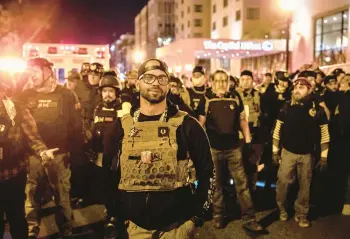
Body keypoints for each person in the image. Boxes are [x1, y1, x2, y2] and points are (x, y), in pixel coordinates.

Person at [114, 58, 214, 238]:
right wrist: (119, 216)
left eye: (162, 79)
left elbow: (208, 172)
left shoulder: (188, 125)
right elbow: (110, 175)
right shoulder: (121, 126)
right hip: (134, 228)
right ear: (137, 84)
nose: (156, 83)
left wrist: (196, 218)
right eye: (149, 78)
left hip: (177, 228)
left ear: (168, 85)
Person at [19, 58, 83, 238]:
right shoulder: (26, 94)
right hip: (33, 156)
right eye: (29, 72)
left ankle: (66, 231)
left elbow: (76, 126)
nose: (31, 76)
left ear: (47, 71)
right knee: (31, 197)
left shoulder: (66, 94)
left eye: (34, 71)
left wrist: (74, 153)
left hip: (59, 156)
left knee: (62, 196)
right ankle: (31, 231)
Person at [197, 69, 263, 233]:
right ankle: (218, 216)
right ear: (211, 82)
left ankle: (249, 218)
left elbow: (243, 121)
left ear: (228, 82)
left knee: (242, 184)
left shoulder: (235, 97)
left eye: (223, 80)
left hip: (234, 148)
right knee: (217, 184)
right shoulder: (206, 98)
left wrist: (248, 143)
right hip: (214, 149)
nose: (221, 83)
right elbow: (201, 125)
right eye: (217, 80)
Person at [0, 70, 56, 239]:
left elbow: (33, 138)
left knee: (16, 218)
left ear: (4, 90)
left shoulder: (17, 111)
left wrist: (43, 152)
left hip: (13, 176)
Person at [272, 76, 330, 228]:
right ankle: (282, 208)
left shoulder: (317, 110)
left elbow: (324, 134)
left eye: (302, 87)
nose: (297, 90)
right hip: (287, 152)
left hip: (307, 154)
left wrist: (324, 157)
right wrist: (274, 152)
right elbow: (277, 131)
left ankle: (302, 213)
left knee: (305, 186)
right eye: (296, 87)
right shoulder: (286, 107)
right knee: (283, 182)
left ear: (310, 90)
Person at [84, 75, 123, 238]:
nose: (107, 94)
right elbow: (94, 129)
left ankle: (118, 217)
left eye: (110, 91)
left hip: (117, 157)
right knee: (105, 186)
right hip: (100, 156)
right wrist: (90, 144)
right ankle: (110, 214)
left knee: (117, 187)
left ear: (116, 93)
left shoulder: (122, 108)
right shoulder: (98, 107)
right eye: (105, 91)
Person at [72, 62, 104, 203]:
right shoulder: (79, 88)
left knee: (96, 164)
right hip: (82, 130)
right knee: (80, 164)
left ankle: (93, 194)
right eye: (90, 74)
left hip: (98, 129)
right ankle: (80, 193)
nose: (92, 77)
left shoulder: (104, 90)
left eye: (96, 74)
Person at [237, 70, 263, 192]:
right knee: (239, 168)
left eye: (248, 79)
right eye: (243, 79)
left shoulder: (259, 95)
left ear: (252, 81)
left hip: (256, 136)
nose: (245, 82)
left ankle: (252, 192)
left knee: (253, 167)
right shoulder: (234, 95)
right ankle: (240, 195)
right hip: (239, 137)